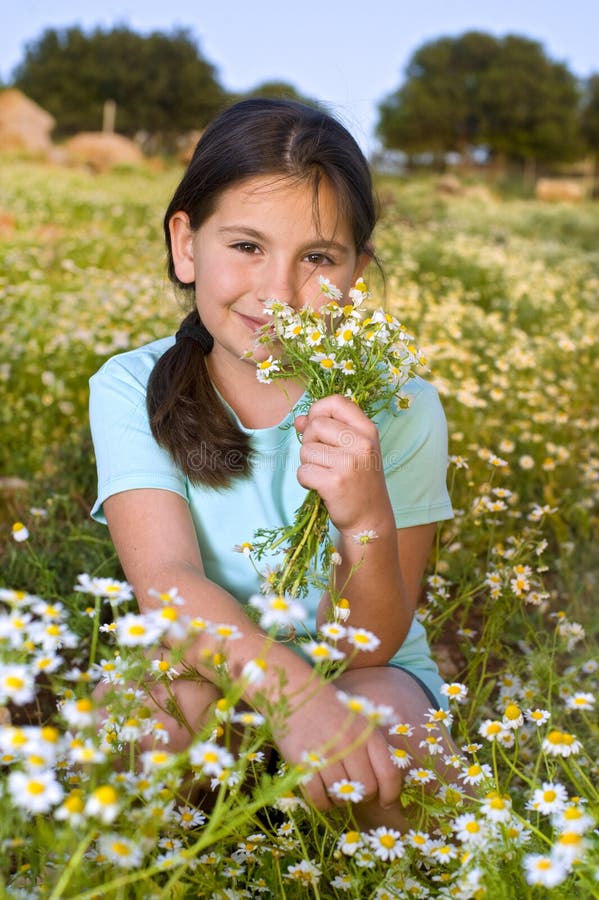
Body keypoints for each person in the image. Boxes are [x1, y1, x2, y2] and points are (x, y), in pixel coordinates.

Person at [89, 98, 455, 830]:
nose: (279, 294)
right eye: (247, 247)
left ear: (357, 273)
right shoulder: (129, 384)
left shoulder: (401, 407)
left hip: (357, 676)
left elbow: (371, 643)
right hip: (201, 666)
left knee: (389, 723)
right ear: (186, 244)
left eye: (317, 258)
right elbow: (168, 582)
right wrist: (292, 699)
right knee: (144, 724)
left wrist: (365, 518)